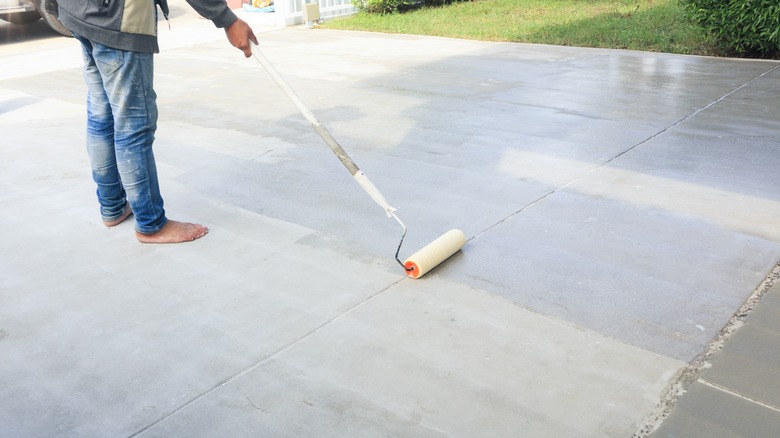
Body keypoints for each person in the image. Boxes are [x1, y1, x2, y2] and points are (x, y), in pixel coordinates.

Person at [52, 0, 257, 243]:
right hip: (118, 20)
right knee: (133, 125)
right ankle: (151, 224)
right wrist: (227, 19)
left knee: (102, 113)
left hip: (80, 13)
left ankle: (113, 207)